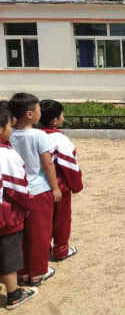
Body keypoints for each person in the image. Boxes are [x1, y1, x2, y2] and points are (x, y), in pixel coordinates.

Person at [8, 93, 61, 286]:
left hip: (17, 192)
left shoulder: (9, 135)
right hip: (39, 190)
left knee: (21, 234)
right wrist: (55, 188)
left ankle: (22, 272)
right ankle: (38, 272)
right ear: (30, 114)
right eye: (38, 109)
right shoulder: (39, 135)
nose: (40, 112)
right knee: (40, 233)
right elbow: (47, 164)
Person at [0, 108, 39, 309]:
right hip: (5, 216)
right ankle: (14, 295)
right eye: (9, 126)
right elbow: (18, 188)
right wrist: (29, 205)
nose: (12, 129)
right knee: (8, 254)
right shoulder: (5, 155)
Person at [39, 100, 83, 262]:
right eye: (62, 115)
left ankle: (43, 252)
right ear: (55, 120)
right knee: (61, 220)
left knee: (41, 222)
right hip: (58, 186)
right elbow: (69, 166)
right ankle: (61, 250)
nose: (63, 118)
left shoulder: (33, 135)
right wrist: (76, 186)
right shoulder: (59, 139)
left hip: (38, 186)